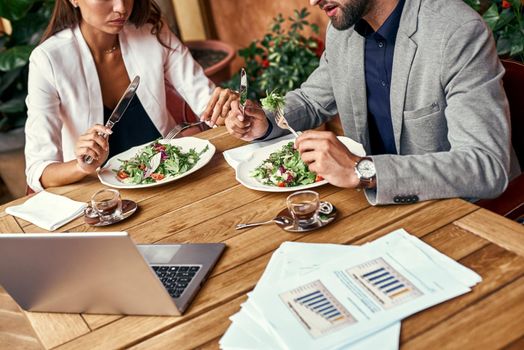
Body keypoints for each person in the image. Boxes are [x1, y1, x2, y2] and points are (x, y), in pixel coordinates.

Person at [225, 0, 520, 205]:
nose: (313, 1)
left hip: (460, 211)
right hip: (373, 205)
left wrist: (363, 170)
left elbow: (485, 165)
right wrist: (263, 121)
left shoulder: (456, 31)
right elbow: (312, 100)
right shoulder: (343, 31)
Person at [25, 0, 236, 192]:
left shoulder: (152, 31)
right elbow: (39, 171)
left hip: (172, 176)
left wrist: (227, 108)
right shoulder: (48, 60)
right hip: (104, 197)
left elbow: (206, 103)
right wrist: (81, 166)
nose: (121, 8)